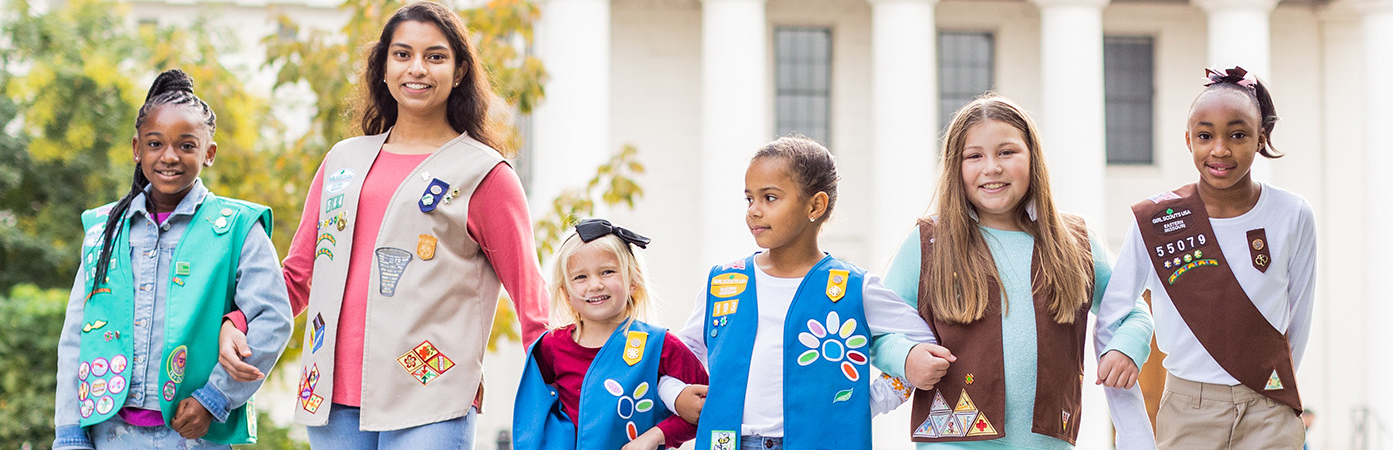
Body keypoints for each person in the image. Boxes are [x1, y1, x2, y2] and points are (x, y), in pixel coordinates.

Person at [215, 2, 551, 448]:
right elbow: (298, 276)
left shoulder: (485, 174)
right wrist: (237, 320)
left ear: (460, 71)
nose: (418, 68)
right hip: (331, 394)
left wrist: (565, 383)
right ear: (384, 66)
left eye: (435, 56)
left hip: (431, 395)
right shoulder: (342, 161)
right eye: (402, 54)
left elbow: (530, 296)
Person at [881, 95, 1156, 449]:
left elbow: (1132, 307)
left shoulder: (1075, 242)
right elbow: (881, 326)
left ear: (1033, 159)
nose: (992, 167)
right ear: (955, 167)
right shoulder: (929, 243)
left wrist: (1127, 346)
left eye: (1007, 152)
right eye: (974, 156)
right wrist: (904, 357)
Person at [53, 69, 292, 449]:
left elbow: (273, 317)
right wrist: (69, 434)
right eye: (155, 144)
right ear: (137, 149)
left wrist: (214, 398)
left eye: (186, 145)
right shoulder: (104, 230)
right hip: (108, 433)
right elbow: (75, 337)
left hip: (193, 434)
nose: (169, 157)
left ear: (208, 153)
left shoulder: (236, 227)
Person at [670, 136, 953, 450]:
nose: (754, 211)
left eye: (770, 198)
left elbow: (925, 343)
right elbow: (673, 359)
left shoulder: (855, 287)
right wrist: (676, 395)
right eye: (750, 199)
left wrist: (864, 405)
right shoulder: (724, 283)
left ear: (815, 205)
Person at [1102, 66, 1317, 449]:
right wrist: (1127, 347)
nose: (1220, 149)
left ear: (1260, 138)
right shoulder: (1156, 221)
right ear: (1188, 140)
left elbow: (1298, 315)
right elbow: (1114, 308)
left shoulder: (1293, 214)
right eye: (1205, 136)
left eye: (1237, 135)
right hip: (1188, 407)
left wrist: (1274, 386)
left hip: (1269, 405)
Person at [512, 219, 709, 450]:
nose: (595, 285)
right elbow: (534, 417)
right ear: (566, 293)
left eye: (607, 272)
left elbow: (710, 407)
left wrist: (655, 436)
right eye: (580, 277)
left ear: (633, 281)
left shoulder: (658, 346)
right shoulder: (550, 347)